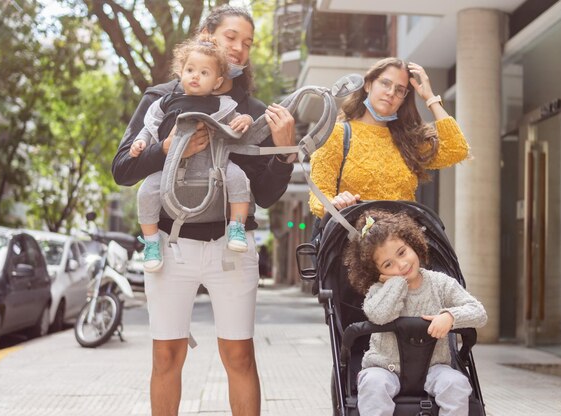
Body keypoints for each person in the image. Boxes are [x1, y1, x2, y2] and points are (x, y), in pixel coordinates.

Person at [111, 5, 296, 416]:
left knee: (240, 358)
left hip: (231, 247)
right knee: (166, 358)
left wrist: (285, 151)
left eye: (247, 43)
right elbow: (123, 170)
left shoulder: (253, 113)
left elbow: (263, 196)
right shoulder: (160, 99)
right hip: (169, 247)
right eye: (231, 37)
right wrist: (166, 150)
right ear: (208, 34)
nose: (239, 49)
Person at [343, 208, 487, 416]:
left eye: (402, 252)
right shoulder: (378, 291)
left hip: (434, 367)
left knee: (456, 384)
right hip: (384, 368)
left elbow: (478, 312)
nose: (401, 265)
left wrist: (450, 317)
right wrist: (395, 284)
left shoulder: (440, 284)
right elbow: (379, 315)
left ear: (413, 244)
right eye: (388, 264)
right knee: (372, 385)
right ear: (378, 273)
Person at [131, 35, 255, 272]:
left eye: (204, 73)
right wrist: (140, 142)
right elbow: (149, 127)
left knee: (239, 178)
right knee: (146, 190)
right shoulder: (164, 102)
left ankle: (236, 228)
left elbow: (238, 120)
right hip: (170, 169)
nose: (195, 76)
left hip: (214, 165)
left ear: (218, 82)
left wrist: (246, 119)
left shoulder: (223, 104)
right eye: (190, 69)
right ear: (180, 71)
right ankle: (151, 241)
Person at [308, 57, 470, 218]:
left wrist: (430, 98)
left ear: (404, 99)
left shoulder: (408, 141)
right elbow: (318, 195)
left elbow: (457, 150)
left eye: (400, 90)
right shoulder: (336, 134)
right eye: (385, 83)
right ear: (368, 84)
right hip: (352, 239)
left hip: (403, 239)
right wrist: (336, 205)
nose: (391, 92)